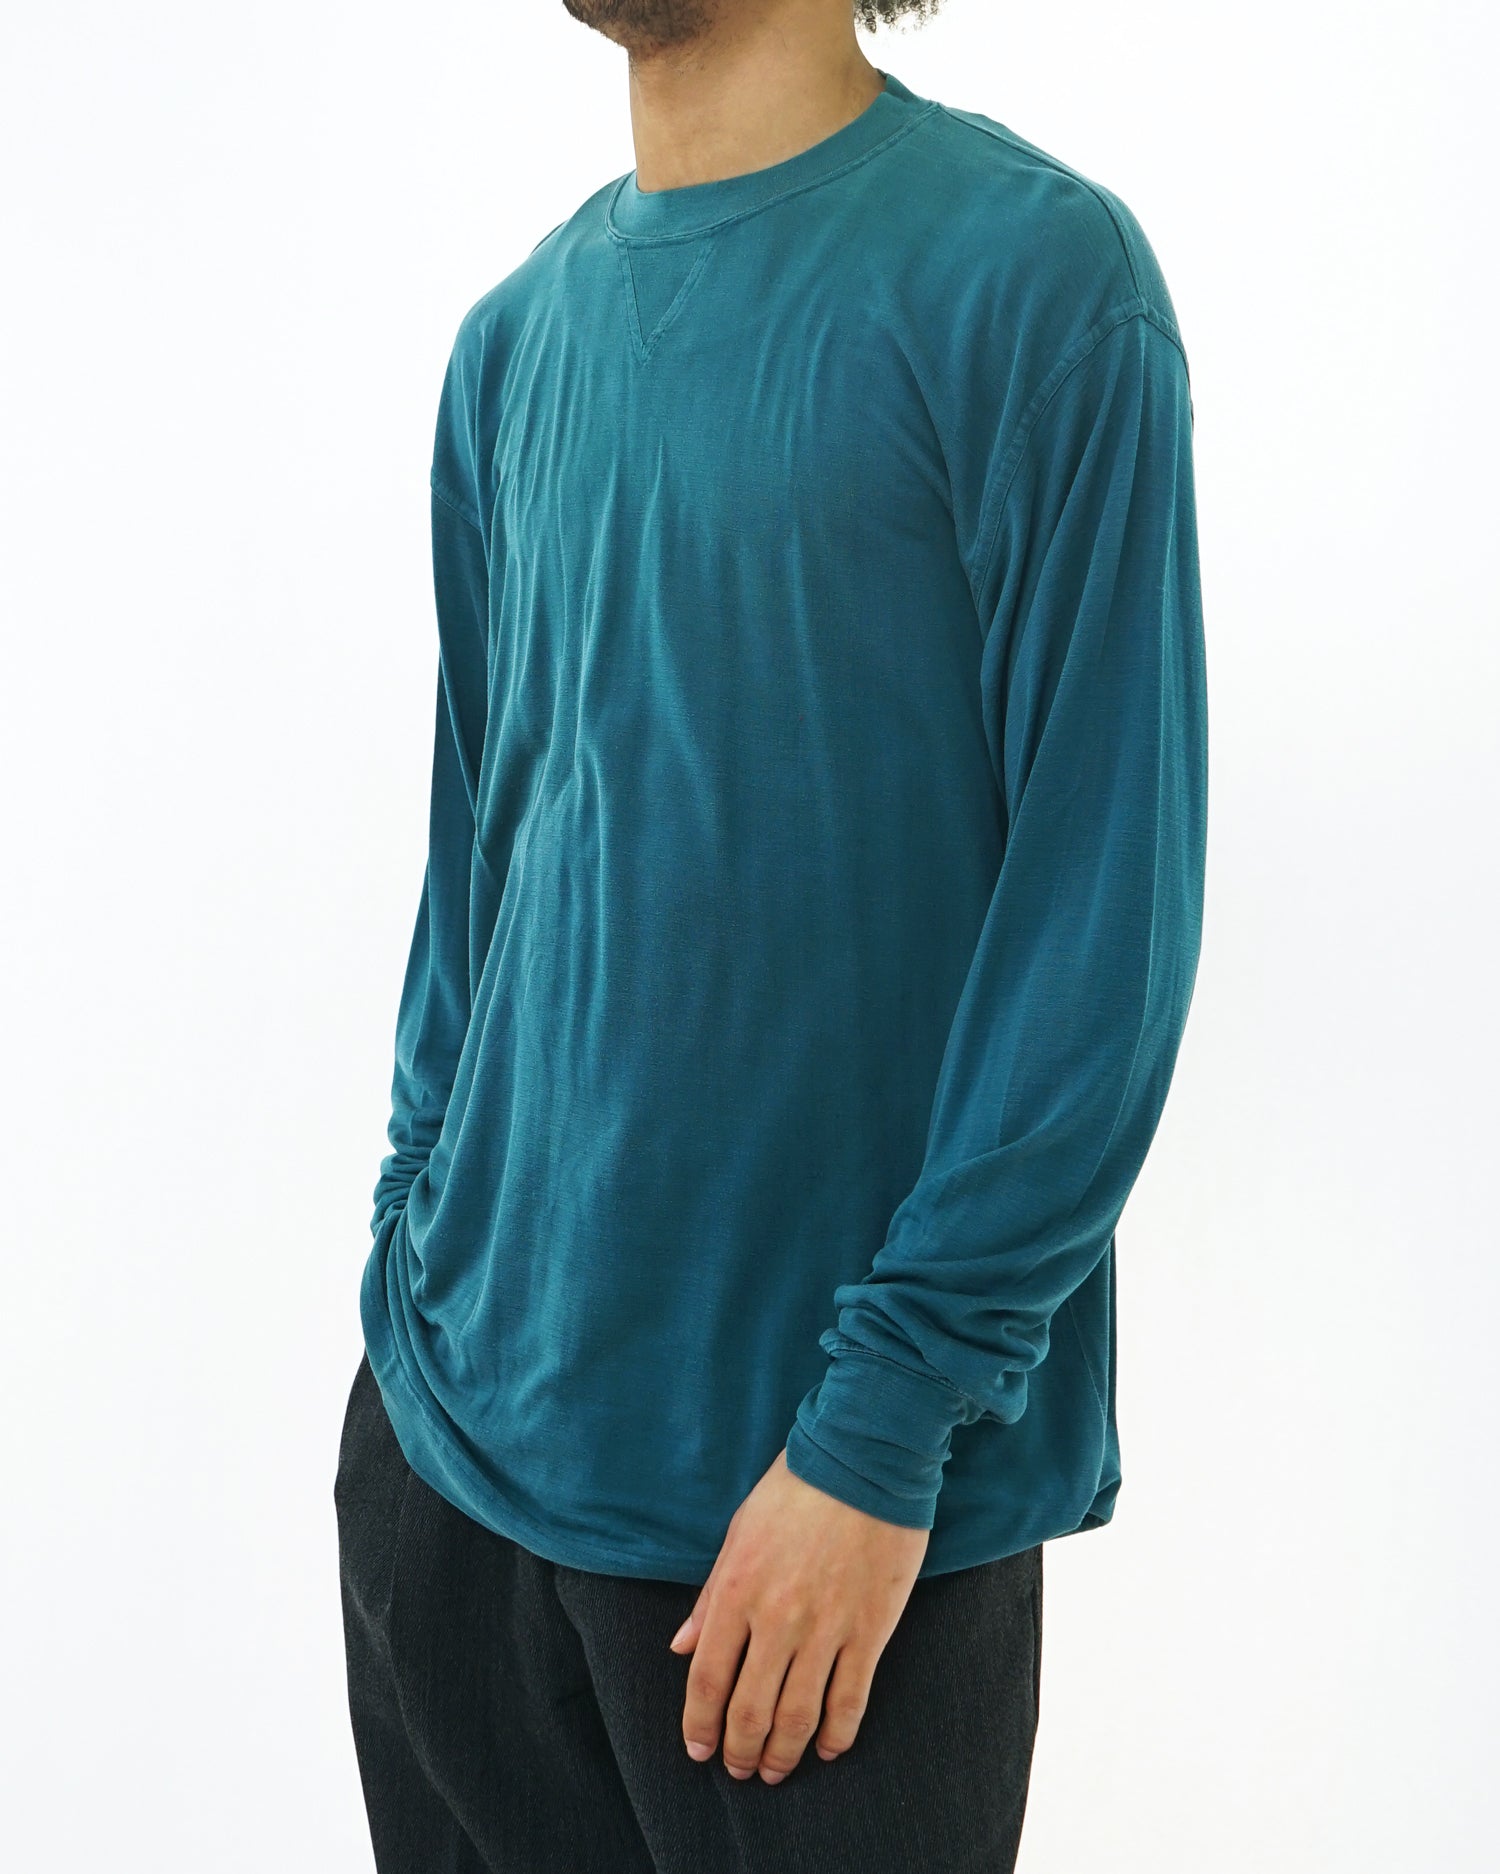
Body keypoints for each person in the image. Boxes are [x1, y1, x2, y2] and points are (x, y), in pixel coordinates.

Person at [333, 1, 1208, 1868]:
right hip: (449, 1480)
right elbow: (477, 872)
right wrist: (408, 1266)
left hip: (811, 1547)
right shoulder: (512, 344)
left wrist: (880, 1432)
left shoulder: (1036, 283)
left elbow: (1102, 922)